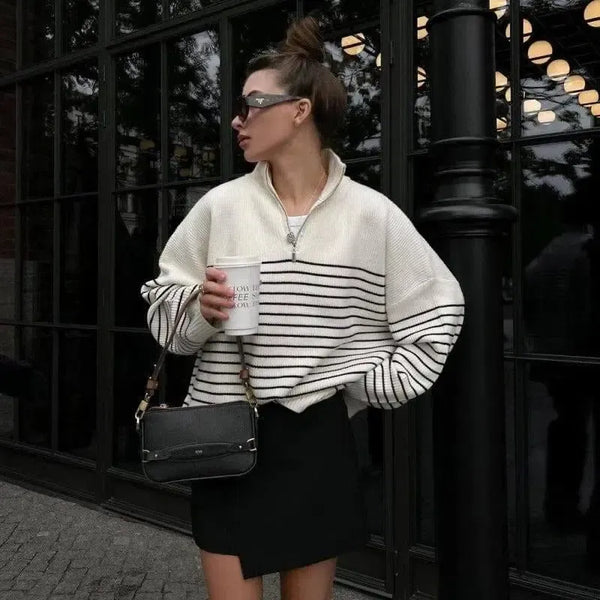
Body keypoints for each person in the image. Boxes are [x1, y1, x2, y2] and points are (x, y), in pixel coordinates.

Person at [140, 16, 464, 600]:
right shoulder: (219, 207)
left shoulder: (372, 216)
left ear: (299, 110)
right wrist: (200, 311)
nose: (237, 120)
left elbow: (439, 310)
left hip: (316, 437)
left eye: (251, 104)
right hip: (223, 435)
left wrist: (367, 382)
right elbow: (164, 317)